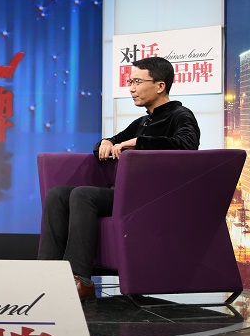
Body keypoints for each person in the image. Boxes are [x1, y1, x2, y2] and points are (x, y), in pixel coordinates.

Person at [37, 56, 200, 301]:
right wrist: (105, 142)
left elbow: (187, 146)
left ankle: (79, 278)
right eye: (130, 82)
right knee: (58, 194)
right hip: (127, 193)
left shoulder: (180, 115)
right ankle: (46, 272)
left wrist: (139, 143)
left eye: (137, 82)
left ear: (160, 85)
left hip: (155, 197)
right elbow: (112, 142)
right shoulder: (143, 121)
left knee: (83, 195)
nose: (131, 88)